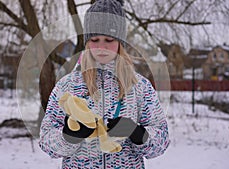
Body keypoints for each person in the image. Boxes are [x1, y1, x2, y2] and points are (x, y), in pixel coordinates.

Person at [39, 0, 170, 168]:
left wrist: (138, 134)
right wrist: (68, 136)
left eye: (109, 39)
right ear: (86, 41)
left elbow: (162, 140)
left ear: (120, 42)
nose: (101, 47)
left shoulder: (139, 86)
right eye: (95, 39)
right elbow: (46, 140)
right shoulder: (67, 86)